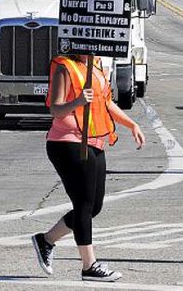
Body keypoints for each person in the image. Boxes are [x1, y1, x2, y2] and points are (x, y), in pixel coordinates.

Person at [32, 55, 145, 282]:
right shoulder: (65, 66)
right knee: (83, 203)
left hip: (95, 140)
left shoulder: (96, 65)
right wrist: (77, 102)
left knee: (94, 206)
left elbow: (106, 102)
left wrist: (131, 123)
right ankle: (89, 266)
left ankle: (47, 240)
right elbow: (55, 109)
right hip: (67, 142)